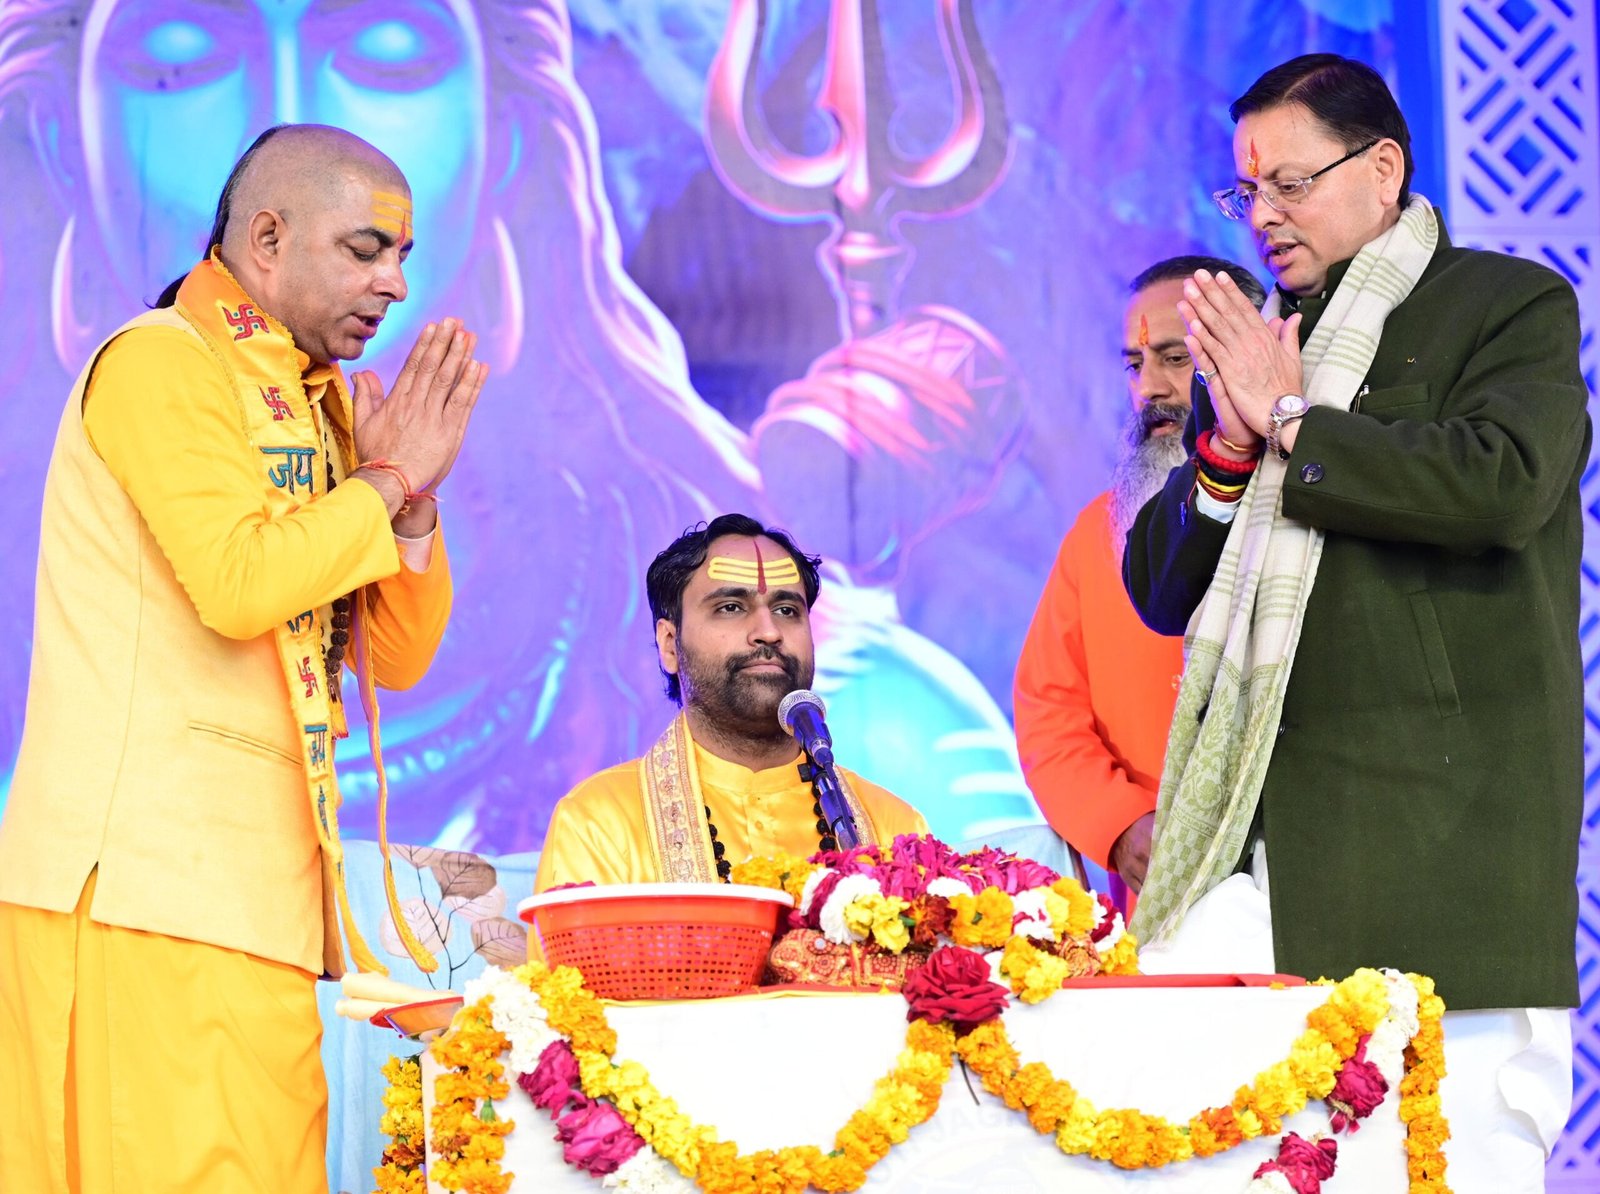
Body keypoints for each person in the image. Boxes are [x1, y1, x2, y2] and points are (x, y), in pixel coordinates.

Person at [1123, 54, 1585, 1190]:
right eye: (1246, 193)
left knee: (1454, 1157)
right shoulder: (1263, 341)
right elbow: (1159, 589)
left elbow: (1500, 485)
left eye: (1289, 184)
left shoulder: (1502, 303)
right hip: (1255, 841)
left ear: (1382, 169)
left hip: (1436, 836)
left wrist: (1293, 418)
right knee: (1200, 1144)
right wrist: (1228, 446)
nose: (1262, 217)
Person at [0, 124, 486, 1192]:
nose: (396, 284)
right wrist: (384, 481)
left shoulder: (315, 405)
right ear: (267, 238)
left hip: (256, 902)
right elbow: (236, 584)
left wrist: (411, 500)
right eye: (366, 249)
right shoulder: (160, 361)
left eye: (403, 256)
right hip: (143, 890)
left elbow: (393, 654)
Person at [1014, 256, 1264, 900]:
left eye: (1175, 359)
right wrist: (1120, 823)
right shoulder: (1098, 531)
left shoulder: (1317, 502)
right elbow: (1050, 713)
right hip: (1157, 897)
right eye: (1135, 364)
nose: (1149, 387)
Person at [535, 514, 928, 890]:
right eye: (731, 608)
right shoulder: (599, 824)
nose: (769, 632)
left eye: (787, 610)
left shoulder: (895, 833)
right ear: (670, 645)